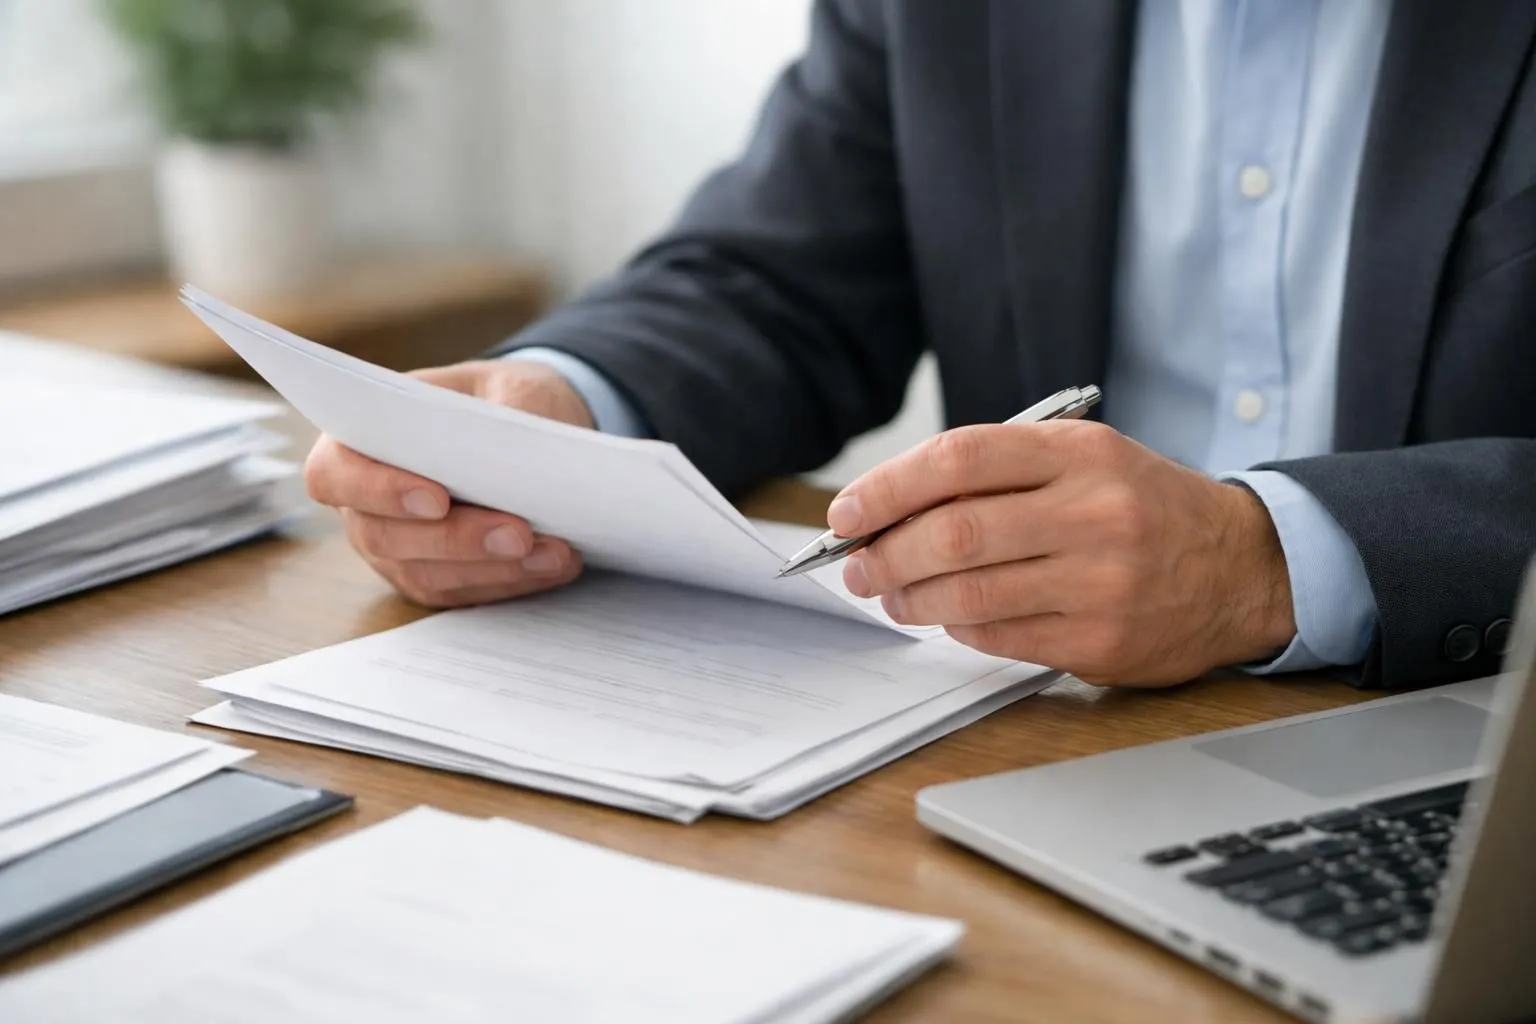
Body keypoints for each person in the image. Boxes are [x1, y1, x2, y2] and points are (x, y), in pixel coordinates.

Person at [305, 1, 1536, 690]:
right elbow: (776, 272)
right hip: (1034, 737)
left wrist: (1260, 563)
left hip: (1470, 742)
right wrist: (555, 412)